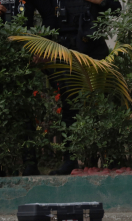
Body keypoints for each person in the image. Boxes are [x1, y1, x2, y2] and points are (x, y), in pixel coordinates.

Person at [20, 0, 122, 175]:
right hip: (61, 48)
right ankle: (70, 160)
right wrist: (41, 47)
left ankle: (112, 158)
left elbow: (115, 8)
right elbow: (38, 18)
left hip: (92, 46)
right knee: (69, 105)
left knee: (106, 101)